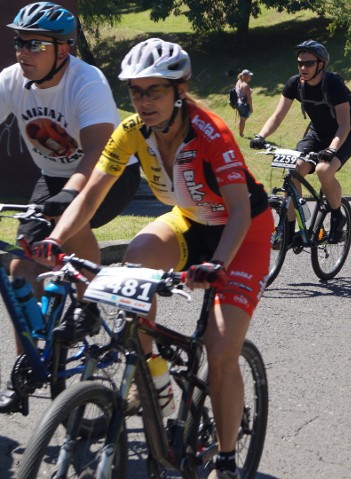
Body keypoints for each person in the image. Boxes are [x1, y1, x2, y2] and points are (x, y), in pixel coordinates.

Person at [30, 38, 272, 479]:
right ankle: (157, 380)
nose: (143, 102)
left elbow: (239, 211)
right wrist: (57, 241)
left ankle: (226, 458)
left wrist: (216, 265)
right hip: (189, 220)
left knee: (220, 350)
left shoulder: (211, 132)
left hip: (244, 234)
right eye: (136, 92)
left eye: (154, 91)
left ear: (180, 90)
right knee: (137, 260)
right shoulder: (131, 131)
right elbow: (91, 194)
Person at [0, 2, 140, 412]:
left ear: (63, 49)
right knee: (20, 268)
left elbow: (97, 149)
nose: (22, 51)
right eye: (18, 41)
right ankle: (30, 361)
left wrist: (69, 195)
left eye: (34, 43)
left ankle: (86, 304)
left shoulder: (87, 80)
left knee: (65, 216)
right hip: (54, 175)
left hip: (109, 176)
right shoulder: (11, 80)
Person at [249, 40, 351, 244]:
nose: (303, 68)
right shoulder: (295, 83)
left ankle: (337, 216)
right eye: (300, 63)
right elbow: (277, 116)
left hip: (345, 135)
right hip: (317, 133)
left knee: (323, 170)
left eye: (308, 63)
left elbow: (344, 124)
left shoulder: (333, 83)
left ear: (321, 64)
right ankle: (291, 230)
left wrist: (332, 149)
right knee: (294, 169)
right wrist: (260, 136)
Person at [234, 68, 253, 137]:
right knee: (243, 120)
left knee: (242, 119)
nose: (250, 77)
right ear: (244, 76)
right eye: (249, 76)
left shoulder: (238, 82)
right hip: (244, 105)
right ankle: (241, 134)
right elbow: (249, 99)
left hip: (238, 104)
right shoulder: (246, 86)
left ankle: (240, 133)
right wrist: (251, 108)